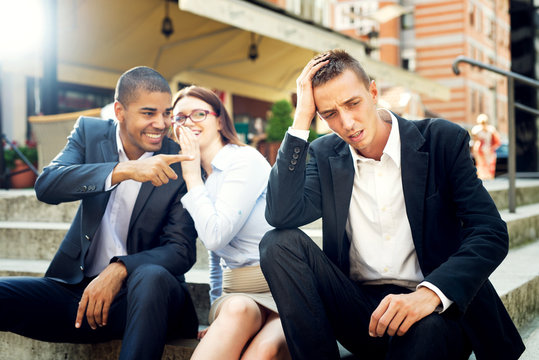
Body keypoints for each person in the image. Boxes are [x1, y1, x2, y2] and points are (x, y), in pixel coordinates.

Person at [259, 50, 525, 360]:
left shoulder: (442, 140)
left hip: (432, 310)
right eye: (329, 113)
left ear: (373, 92)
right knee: (277, 243)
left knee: (428, 331)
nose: (346, 122)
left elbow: (490, 232)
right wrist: (301, 119)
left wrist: (431, 294)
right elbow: (281, 214)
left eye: (352, 103)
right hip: (361, 313)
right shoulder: (324, 153)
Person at [0, 66, 199, 360]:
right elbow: (47, 185)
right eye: (148, 113)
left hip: (148, 300)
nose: (161, 123)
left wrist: (119, 269)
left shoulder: (179, 160)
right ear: (119, 111)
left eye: (166, 113)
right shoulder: (89, 133)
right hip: (80, 295)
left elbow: (181, 250)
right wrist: (124, 170)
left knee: (151, 276)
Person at [171, 85, 290, 360]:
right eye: (179, 117)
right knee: (235, 310)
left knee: (263, 352)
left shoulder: (243, 160)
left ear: (220, 120)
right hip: (239, 296)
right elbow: (217, 254)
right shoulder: (202, 179)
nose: (188, 122)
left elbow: (215, 236)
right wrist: (217, 313)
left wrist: (191, 177)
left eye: (198, 114)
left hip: (285, 289)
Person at [471, 113, 501, 180]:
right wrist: (475, 151)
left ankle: (489, 178)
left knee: (490, 166)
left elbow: (497, 141)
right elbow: (475, 142)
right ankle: (482, 179)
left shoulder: (491, 130)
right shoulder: (476, 130)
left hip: (489, 151)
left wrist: (492, 148)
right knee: (481, 166)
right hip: (480, 151)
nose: (483, 124)